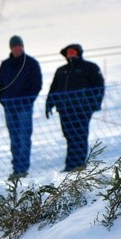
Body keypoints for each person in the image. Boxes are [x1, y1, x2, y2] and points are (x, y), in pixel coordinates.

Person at [46, 43, 105, 172]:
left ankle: (79, 165)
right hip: (64, 109)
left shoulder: (89, 67)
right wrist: (49, 103)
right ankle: (70, 164)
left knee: (80, 135)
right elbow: (54, 88)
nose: (70, 54)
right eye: (68, 52)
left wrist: (94, 104)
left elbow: (99, 86)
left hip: (82, 109)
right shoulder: (61, 70)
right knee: (69, 135)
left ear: (78, 53)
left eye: (73, 52)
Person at [0, 35, 43, 179]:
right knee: (14, 138)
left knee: (23, 137)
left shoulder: (31, 63)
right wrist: (4, 101)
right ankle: (16, 168)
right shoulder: (5, 65)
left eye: (19, 46)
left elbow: (37, 84)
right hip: (10, 107)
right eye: (14, 46)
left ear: (22, 46)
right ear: (11, 48)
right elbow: (0, 85)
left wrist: (28, 100)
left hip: (24, 107)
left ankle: (22, 169)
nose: (17, 48)